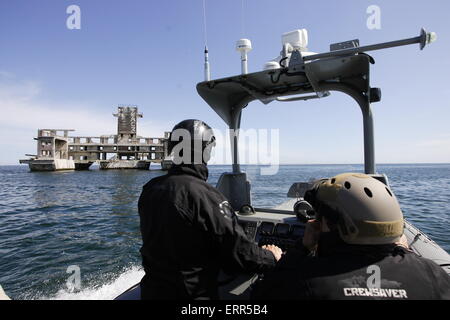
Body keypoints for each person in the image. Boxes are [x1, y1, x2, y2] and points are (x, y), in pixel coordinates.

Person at [138, 119, 282, 300]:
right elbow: (240, 254)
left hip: (152, 292)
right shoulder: (205, 196)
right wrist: (271, 256)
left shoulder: (150, 189)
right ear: (205, 150)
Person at [251, 173, 450, 300]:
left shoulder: (306, 279)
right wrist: (405, 252)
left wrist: (297, 253)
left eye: (322, 217)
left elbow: (258, 298)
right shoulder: (433, 275)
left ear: (332, 226)